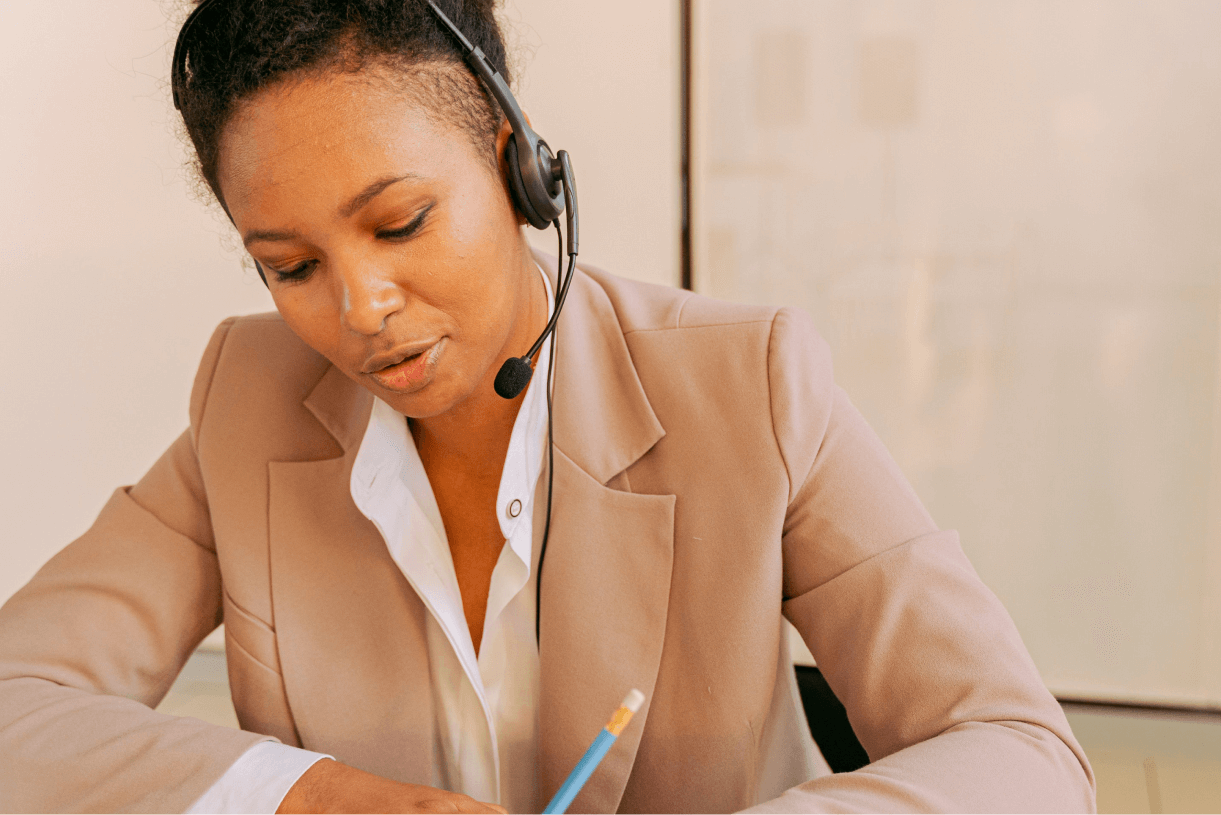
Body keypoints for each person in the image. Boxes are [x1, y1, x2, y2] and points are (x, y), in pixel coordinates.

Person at [0, 1, 1096, 813]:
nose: (361, 308)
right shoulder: (248, 403)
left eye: (400, 222)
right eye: (290, 266)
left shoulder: (748, 382)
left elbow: (1021, 750)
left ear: (517, 165)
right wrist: (323, 798)